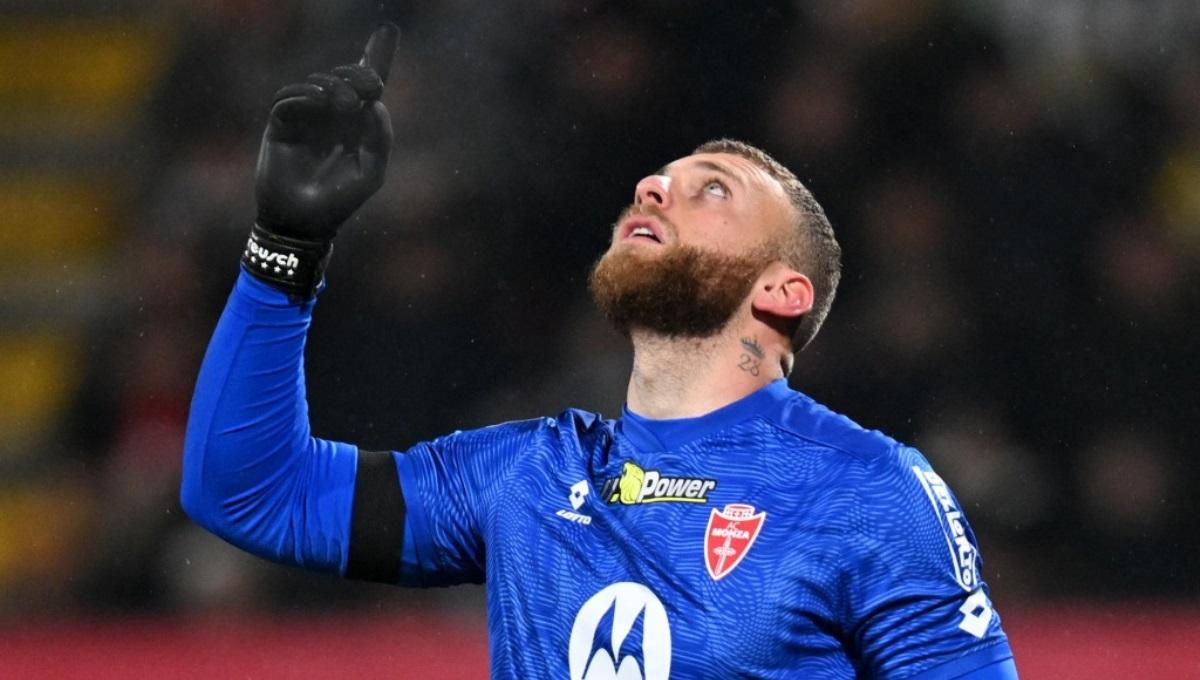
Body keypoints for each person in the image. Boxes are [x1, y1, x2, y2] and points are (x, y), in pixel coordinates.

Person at [182, 24, 1018, 679]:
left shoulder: (872, 492)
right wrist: (284, 247)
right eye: (657, 179)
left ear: (782, 292)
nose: (655, 188)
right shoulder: (526, 476)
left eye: (712, 188)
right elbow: (247, 492)